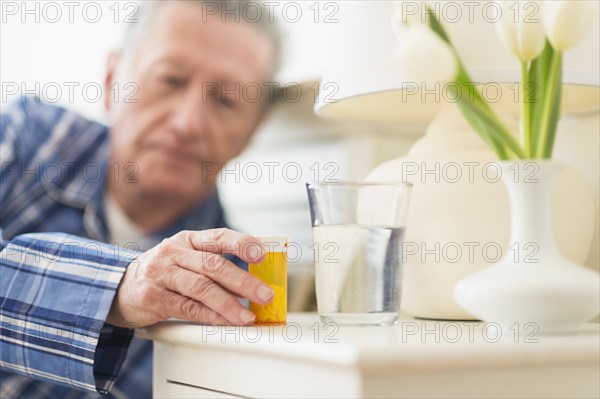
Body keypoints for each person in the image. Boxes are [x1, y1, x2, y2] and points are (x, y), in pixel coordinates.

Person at [0, 1, 281, 397]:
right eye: (169, 79)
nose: (187, 123)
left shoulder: (244, 286)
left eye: (227, 101)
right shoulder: (23, 142)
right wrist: (119, 287)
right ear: (113, 80)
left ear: (253, 130)